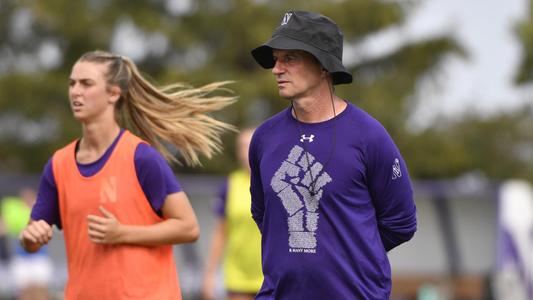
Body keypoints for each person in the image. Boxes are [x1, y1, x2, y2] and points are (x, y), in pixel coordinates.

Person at [19, 50, 235, 299]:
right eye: (72, 83)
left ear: (113, 93)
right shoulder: (59, 164)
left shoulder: (141, 158)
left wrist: (122, 233)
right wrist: (29, 236)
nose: (75, 91)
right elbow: (32, 238)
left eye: (86, 83)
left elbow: (188, 227)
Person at [248, 10, 417, 299]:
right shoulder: (264, 138)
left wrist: (349, 254)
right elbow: (263, 214)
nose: (276, 68)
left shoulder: (369, 136)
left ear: (324, 66)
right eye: (276, 59)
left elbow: (401, 223)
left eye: (289, 58)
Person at [202, 128, 262, 300]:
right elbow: (221, 232)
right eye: (241, 146)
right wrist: (209, 274)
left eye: (249, 145)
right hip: (237, 276)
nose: (245, 151)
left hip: (271, 275)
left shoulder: (277, 183)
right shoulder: (230, 184)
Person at [2, 187, 53, 300]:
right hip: (21, 259)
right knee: (24, 292)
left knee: (40, 291)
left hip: (40, 258)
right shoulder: (15, 214)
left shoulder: (42, 213)